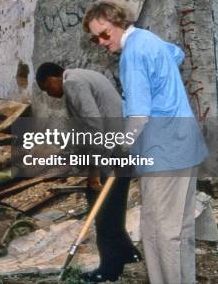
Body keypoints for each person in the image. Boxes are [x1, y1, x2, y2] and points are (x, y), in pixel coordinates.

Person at [83, 0, 208, 284]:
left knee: (161, 231)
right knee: (179, 228)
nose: (101, 42)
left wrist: (121, 150)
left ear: (119, 22)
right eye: (95, 39)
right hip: (184, 145)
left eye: (104, 34)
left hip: (164, 151)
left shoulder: (132, 55)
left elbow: (138, 116)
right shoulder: (148, 39)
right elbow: (176, 54)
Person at [36, 62, 141, 282]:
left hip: (111, 153)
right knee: (114, 207)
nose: (50, 95)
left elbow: (94, 126)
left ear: (54, 78)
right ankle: (128, 253)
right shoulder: (83, 76)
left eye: (47, 88)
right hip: (120, 148)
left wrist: (93, 171)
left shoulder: (73, 83)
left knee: (101, 210)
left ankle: (109, 269)